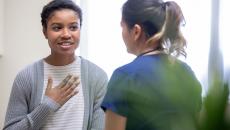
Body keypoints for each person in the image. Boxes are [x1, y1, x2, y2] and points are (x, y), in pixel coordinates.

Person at [3, 0, 108, 130]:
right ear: (45, 31)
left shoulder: (97, 77)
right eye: (57, 28)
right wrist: (47, 106)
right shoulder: (26, 77)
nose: (66, 34)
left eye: (73, 27)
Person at [101, 0, 202, 130]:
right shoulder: (187, 72)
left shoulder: (124, 76)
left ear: (136, 31)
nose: (122, 33)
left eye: (122, 27)